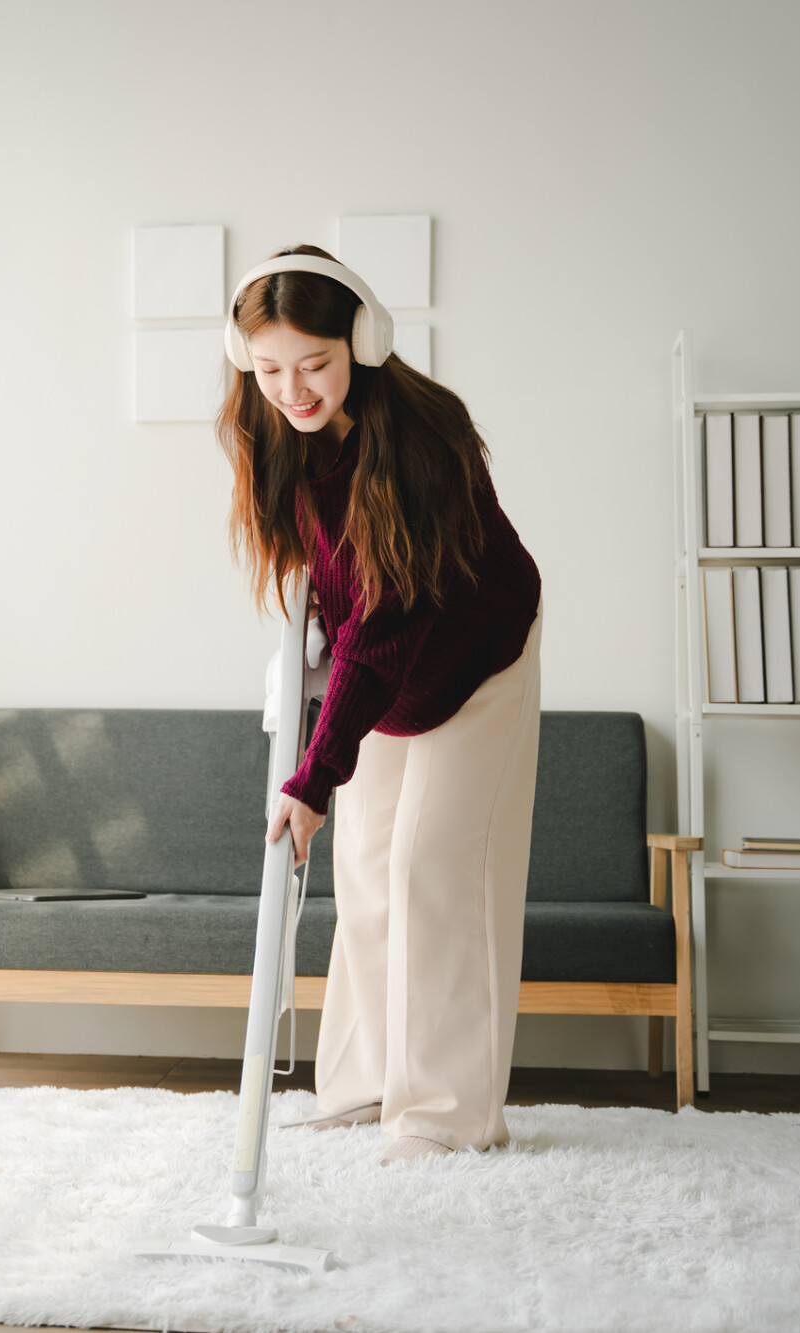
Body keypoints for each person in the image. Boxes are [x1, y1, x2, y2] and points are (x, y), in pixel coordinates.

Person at [219, 245, 543, 1165]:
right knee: (363, 868)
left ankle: (444, 1114)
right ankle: (364, 1084)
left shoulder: (423, 438)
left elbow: (390, 618)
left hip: (475, 661)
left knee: (432, 867)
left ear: (361, 339)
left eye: (314, 363)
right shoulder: (274, 426)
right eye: (271, 368)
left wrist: (317, 770)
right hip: (383, 661)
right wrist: (310, 643)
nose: (293, 388)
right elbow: (333, 584)